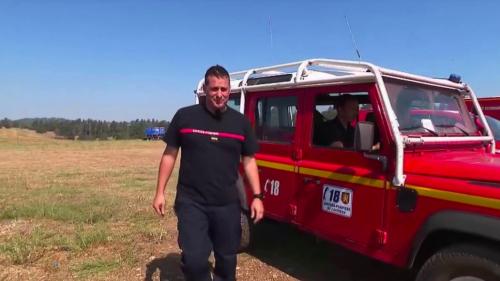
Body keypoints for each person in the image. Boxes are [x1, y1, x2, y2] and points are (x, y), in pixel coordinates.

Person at [152, 65, 264, 281]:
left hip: (227, 203)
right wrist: (160, 192)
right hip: (192, 202)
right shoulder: (185, 116)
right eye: (214, 89)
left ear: (230, 90)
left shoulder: (240, 123)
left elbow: (249, 161)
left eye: (224, 89)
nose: (219, 94)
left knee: (227, 259)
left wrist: (257, 197)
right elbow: (169, 155)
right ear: (205, 88)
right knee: (194, 261)